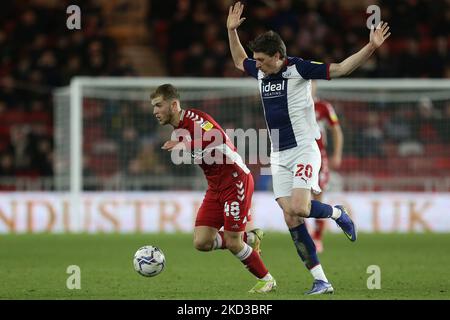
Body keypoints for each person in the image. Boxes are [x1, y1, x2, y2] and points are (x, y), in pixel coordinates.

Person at [226, 1, 390, 294]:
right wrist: (231, 31)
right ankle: (321, 280)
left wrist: (371, 48)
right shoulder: (263, 70)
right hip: (278, 154)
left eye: (262, 60)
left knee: (300, 208)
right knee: (290, 216)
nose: (257, 65)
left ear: (278, 56)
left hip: (304, 148)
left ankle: (338, 214)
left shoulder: (298, 68)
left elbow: (340, 69)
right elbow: (240, 60)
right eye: (257, 60)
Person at [151, 83, 276, 293]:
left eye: (158, 105)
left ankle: (267, 279)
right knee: (202, 242)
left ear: (173, 105)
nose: (154, 111)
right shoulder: (179, 129)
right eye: (153, 107)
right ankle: (250, 238)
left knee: (233, 242)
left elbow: (216, 138)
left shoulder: (196, 120)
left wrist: (185, 146)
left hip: (236, 181)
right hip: (215, 188)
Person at [311, 81, 344, 253]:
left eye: (311, 83)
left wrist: (336, 154)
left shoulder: (323, 107)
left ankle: (317, 237)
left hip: (318, 158)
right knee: (296, 200)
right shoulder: (293, 105)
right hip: (297, 157)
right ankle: (304, 235)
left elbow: (336, 130)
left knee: (317, 196)